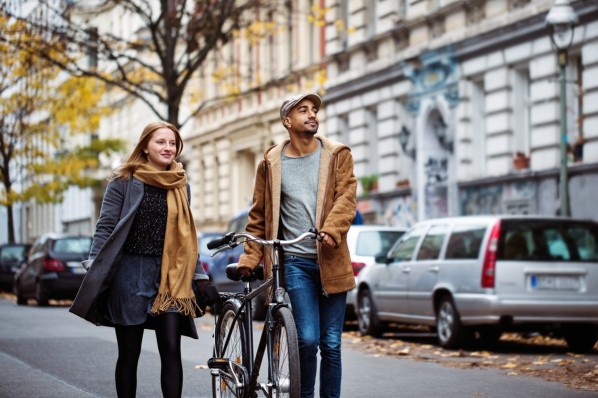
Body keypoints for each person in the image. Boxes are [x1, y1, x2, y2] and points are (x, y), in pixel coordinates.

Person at [70, 121, 211, 398]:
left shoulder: (181, 184)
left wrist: (200, 277)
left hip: (170, 277)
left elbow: (186, 237)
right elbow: (106, 226)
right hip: (130, 273)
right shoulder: (123, 181)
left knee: (171, 349)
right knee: (129, 353)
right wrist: (94, 264)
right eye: (161, 142)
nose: (168, 148)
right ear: (145, 146)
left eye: (172, 143)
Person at [237, 93, 357, 398]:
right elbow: (259, 215)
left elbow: (346, 197)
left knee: (331, 343)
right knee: (306, 339)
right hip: (295, 261)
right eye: (303, 110)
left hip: (331, 260)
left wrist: (332, 229)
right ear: (287, 121)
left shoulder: (337, 154)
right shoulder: (271, 162)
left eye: (314, 110)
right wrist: (251, 256)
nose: (312, 114)